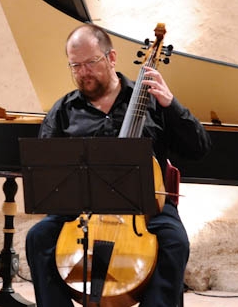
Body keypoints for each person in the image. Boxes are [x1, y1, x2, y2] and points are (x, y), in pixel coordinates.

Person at [25, 23, 212, 307]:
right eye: (75, 66)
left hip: (147, 211)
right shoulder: (63, 110)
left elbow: (199, 148)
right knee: (38, 237)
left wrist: (171, 104)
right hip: (81, 212)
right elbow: (48, 171)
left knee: (174, 242)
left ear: (111, 58)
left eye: (91, 62)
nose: (83, 72)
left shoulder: (151, 100)